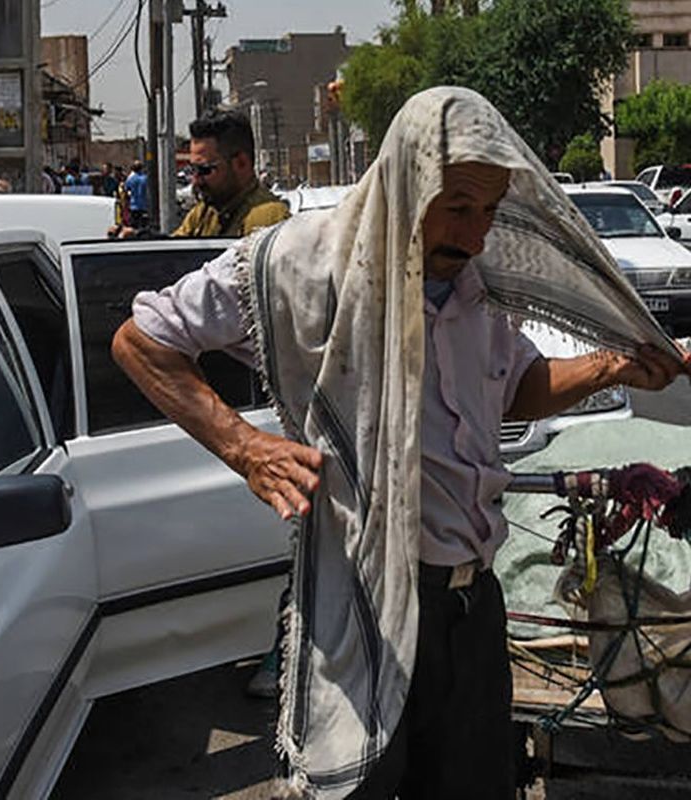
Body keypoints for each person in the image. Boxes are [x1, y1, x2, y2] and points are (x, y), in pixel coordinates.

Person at [110, 86, 689, 799]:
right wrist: (244, 448)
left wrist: (614, 366)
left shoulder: (476, 285)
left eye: (488, 212)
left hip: (474, 610)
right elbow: (143, 342)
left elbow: (516, 389)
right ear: (404, 182)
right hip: (367, 601)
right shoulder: (302, 261)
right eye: (456, 208)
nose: (474, 235)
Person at [115, 110, 288, 239]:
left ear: (241, 163)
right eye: (193, 170)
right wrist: (138, 239)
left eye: (205, 170)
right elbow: (176, 253)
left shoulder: (269, 218)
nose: (196, 180)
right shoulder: (205, 212)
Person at [122, 161, 149, 230]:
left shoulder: (130, 179)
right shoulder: (145, 178)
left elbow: (125, 190)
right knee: (143, 226)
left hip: (133, 206)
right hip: (144, 206)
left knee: (134, 225)